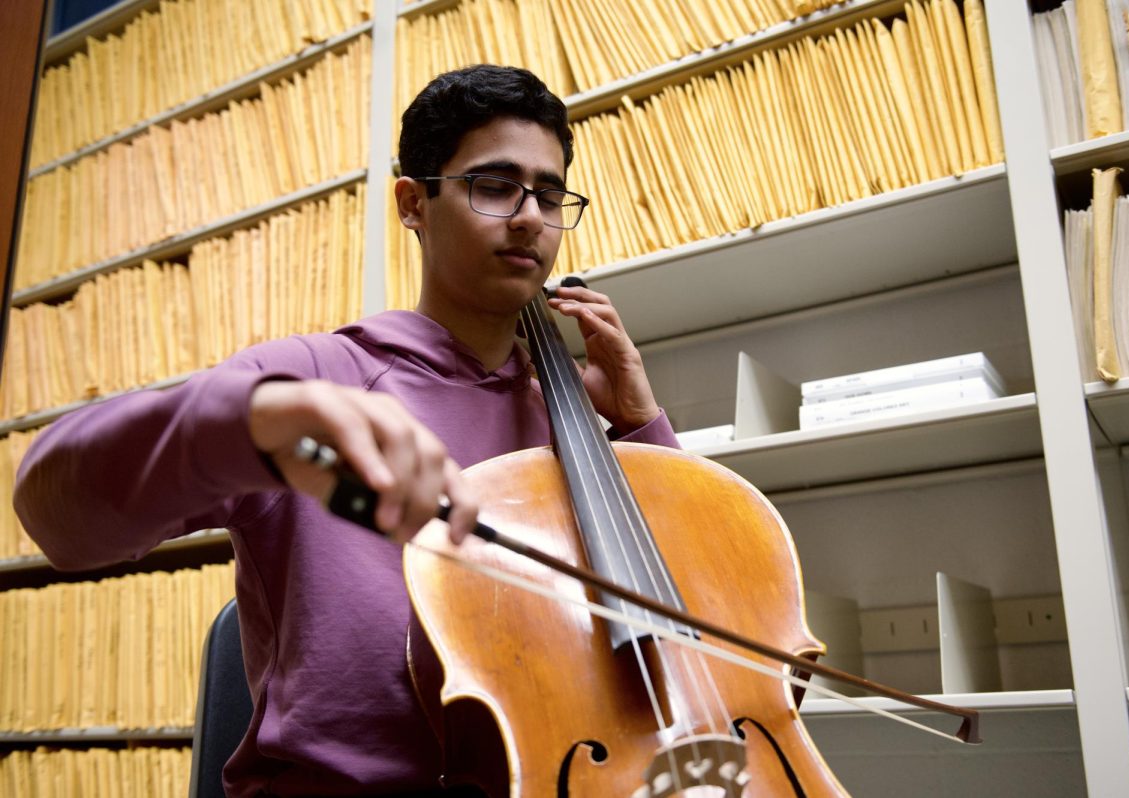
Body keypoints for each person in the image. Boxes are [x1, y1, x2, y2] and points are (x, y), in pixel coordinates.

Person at [14, 64, 679, 796]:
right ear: (412, 204)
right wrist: (248, 424)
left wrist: (644, 427)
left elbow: (683, 656)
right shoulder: (314, 378)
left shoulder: (573, 423)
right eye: (494, 185)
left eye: (549, 195)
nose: (529, 217)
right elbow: (59, 521)